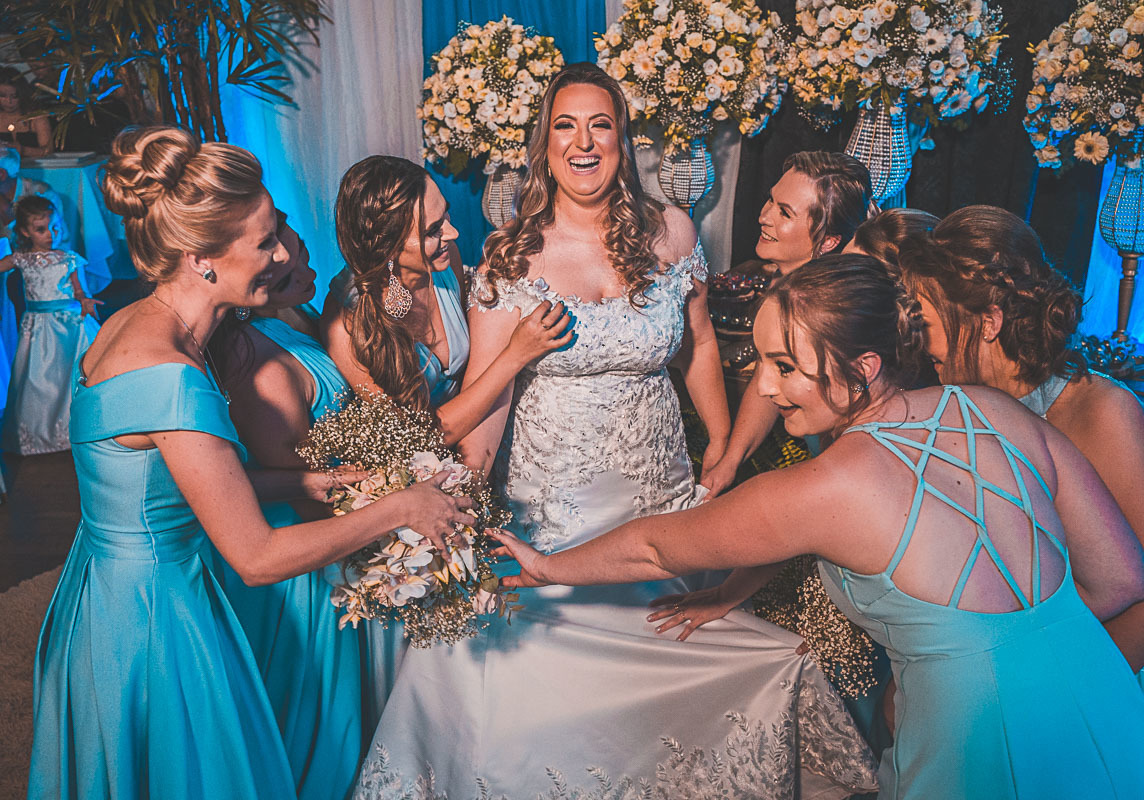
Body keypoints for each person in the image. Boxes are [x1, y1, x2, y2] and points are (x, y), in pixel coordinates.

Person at [352, 63, 878, 800]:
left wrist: (724, 449)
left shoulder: (671, 233)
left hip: (664, 496)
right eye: (566, 126)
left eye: (601, 124)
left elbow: (696, 348)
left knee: (694, 659)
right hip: (555, 513)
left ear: (623, 139)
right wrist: (454, 507)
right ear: (544, 144)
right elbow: (487, 406)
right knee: (533, 686)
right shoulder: (509, 256)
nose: (584, 142)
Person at [493, 252, 1144, 799]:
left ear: (863, 367)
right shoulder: (996, 409)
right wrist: (1021, 651)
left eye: (784, 366)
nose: (762, 387)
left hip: (976, 740)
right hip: (1106, 705)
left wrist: (548, 566)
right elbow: (1123, 577)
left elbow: (653, 544)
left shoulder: (826, 486)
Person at [28, 126, 475, 799]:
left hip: (109, 587)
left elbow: (158, 485)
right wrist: (403, 505)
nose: (280, 255)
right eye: (264, 241)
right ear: (202, 257)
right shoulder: (170, 371)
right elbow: (257, 556)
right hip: (154, 619)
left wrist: (301, 478)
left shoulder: (135, 322)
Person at [895, 205, 1144, 798]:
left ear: (987, 320)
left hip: (1123, 674)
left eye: (927, 318)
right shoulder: (955, 405)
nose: (919, 339)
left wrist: (1055, 709)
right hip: (1023, 681)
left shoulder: (1104, 412)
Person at [319, 155, 573, 719]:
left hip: (488, 447)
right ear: (386, 246)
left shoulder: (448, 262)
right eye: (432, 230)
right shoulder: (349, 326)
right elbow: (415, 437)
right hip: (420, 481)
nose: (453, 234)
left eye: (445, 219)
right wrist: (516, 356)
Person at [207, 210, 363, 800]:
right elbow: (292, 481)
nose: (302, 262)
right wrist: (381, 539)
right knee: (313, 707)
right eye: (283, 250)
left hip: (338, 522)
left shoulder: (294, 318)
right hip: (303, 552)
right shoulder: (259, 360)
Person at [699, 151, 873, 498]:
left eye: (785, 212)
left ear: (827, 241)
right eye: (770, 200)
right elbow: (772, 379)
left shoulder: (829, 309)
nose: (764, 216)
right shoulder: (789, 284)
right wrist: (729, 462)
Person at [0, 195, 99, 455]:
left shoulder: (68, 258)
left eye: (55, 227)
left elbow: (78, 290)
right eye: (41, 230)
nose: (50, 235)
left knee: (73, 377)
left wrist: (85, 301)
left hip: (71, 326)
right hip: (38, 327)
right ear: (24, 231)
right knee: (40, 381)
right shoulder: (20, 259)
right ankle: (39, 435)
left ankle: (74, 430)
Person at [0, 68, 52, 159]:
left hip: (33, 170)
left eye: (14, 96)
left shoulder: (36, 118)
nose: (9, 101)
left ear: (22, 94)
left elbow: (48, 150)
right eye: (3, 96)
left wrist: (23, 150)